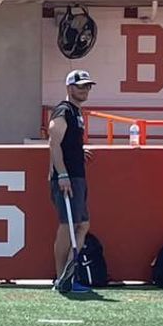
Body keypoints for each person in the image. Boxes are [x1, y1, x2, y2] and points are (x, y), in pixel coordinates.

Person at [48, 68, 94, 284]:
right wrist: (63, 174)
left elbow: (67, 142)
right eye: (80, 86)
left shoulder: (77, 112)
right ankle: (61, 277)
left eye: (86, 86)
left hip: (77, 175)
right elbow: (54, 141)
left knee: (82, 224)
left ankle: (68, 271)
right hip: (67, 177)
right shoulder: (64, 111)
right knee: (68, 224)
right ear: (69, 87)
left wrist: (78, 150)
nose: (84, 90)